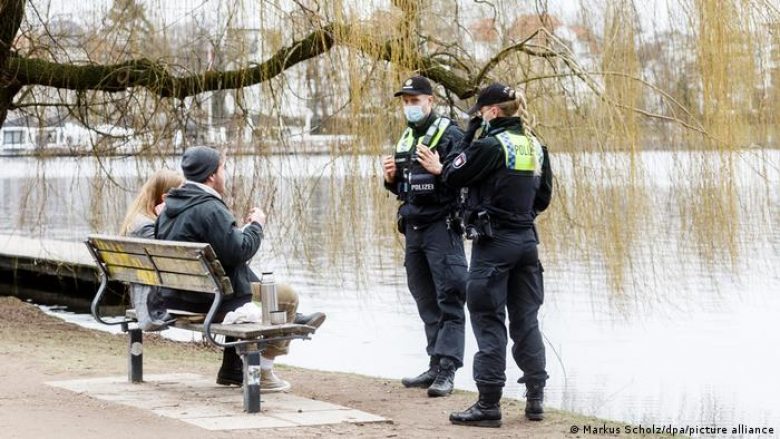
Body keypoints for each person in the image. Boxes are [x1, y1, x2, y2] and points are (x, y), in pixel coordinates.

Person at [418, 83, 551, 427]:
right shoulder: (536, 146)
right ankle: (535, 399)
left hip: (493, 245)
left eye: (480, 112)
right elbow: (543, 198)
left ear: (492, 111)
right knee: (526, 321)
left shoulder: (492, 145)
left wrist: (468, 137)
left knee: (489, 320)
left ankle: (489, 405)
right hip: (526, 242)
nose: (478, 116)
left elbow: (452, 173)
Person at [155, 146, 326, 392]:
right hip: (210, 302)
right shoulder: (209, 207)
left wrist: (238, 234)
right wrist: (257, 226)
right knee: (285, 297)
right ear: (212, 175)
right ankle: (265, 370)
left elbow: (226, 252)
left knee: (238, 280)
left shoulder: (170, 207)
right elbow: (239, 252)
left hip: (177, 297)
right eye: (223, 168)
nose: (225, 174)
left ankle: (232, 370)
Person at [382, 75, 468, 397]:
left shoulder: (451, 134)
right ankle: (434, 363)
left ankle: (448, 370)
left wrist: (440, 170)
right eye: (405, 102)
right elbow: (406, 187)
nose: (410, 107)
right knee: (425, 298)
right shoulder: (406, 137)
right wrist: (390, 179)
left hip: (442, 227)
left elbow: (466, 180)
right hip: (414, 229)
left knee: (450, 297)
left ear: (430, 101)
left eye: (415, 101)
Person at [119, 169, 184, 331]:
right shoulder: (147, 226)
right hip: (157, 303)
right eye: (182, 194)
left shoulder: (135, 220)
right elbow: (168, 264)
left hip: (145, 297)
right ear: (165, 199)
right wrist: (167, 220)